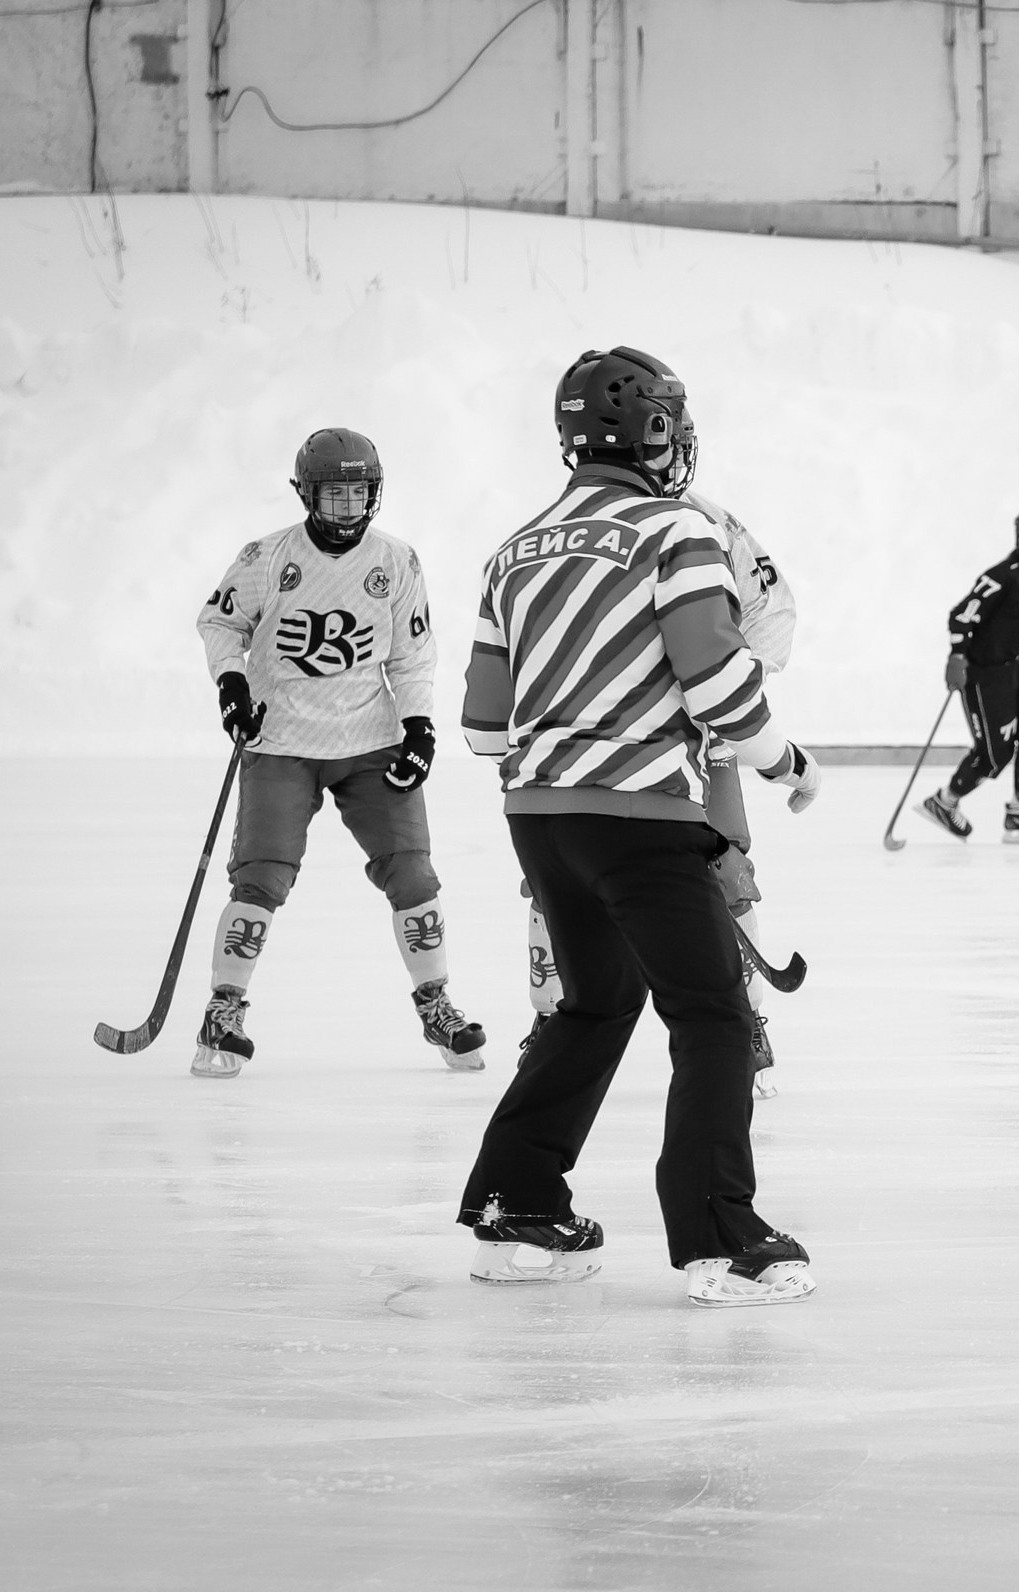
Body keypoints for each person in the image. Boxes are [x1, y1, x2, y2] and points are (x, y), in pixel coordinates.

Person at [456, 345, 822, 1308]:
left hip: (539, 817)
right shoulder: (677, 533)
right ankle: (719, 1237)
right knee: (713, 1019)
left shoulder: (515, 547)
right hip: (643, 814)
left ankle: (515, 1204)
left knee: (594, 1005)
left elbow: (482, 727)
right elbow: (714, 673)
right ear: (657, 430)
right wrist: (783, 760)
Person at [191, 427, 486, 1079]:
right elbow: (220, 622)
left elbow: (412, 655)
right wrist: (232, 685)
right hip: (281, 740)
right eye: (334, 496)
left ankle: (437, 1004)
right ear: (306, 496)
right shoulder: (264, 557)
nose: (348, 510)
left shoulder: (398, 561)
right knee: (262, 878)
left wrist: (419, 728)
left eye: (360, 495)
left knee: (414, 874)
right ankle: (224, 1009)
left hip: (369, 741)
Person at [520, 487, 798, 1099]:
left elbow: (772, 608)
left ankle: (746, 1019)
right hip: (605, 740)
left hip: (701, 735)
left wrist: (733, 687)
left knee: (727, 870)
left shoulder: (714, 520)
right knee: (557, 883)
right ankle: (549, 1016)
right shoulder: (582, 524)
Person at [916, 505, 1019, 843]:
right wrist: (957, 656)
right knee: (995, 754)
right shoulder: (1003, 575)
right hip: (987, 675)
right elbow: (962, 614)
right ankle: (944, 801)